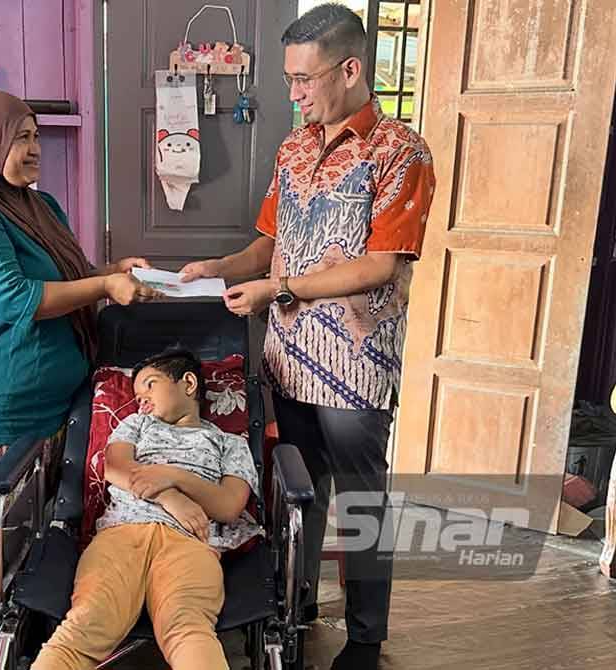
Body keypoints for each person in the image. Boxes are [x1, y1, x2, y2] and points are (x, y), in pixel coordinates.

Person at [181, 5, 436, 669]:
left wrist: (279, 290)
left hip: (357, 364)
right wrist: (221, 267)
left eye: (304, 78)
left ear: (349, 69)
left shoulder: (401, 152)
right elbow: (271, 242)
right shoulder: (293, 149)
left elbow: (382, 263)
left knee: (361, 502)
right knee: (297, 491)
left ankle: (367, 637)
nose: (292, 93)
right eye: (289, 79)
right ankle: (295, 611)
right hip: (287, 360)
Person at [0, 91, 160, 669]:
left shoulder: (38, 205)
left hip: (59, 406)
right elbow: (12, 298)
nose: (33, 149)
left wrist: (110, 271)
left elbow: (69, 276)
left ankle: (32, 650)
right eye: (18, 138)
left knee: (44, 541)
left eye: (35, 136)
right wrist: (103, 290)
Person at [32, 348, 260, 670]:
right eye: (137, 395)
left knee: (187, 627)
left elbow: (228, 506)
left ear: (189, 383)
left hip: (191, 541)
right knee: (85, 625)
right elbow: (117, 468)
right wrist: (172, 497)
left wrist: (173, 474)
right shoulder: (137, 425)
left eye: (150, 385)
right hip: (121, 534)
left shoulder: (229, 443)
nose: (141, 400)